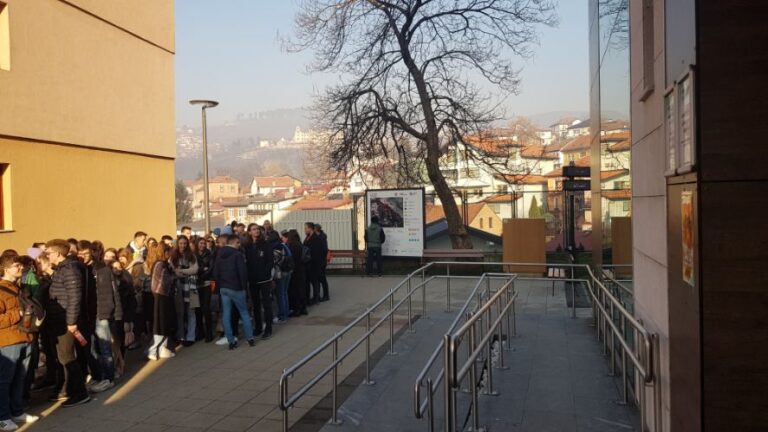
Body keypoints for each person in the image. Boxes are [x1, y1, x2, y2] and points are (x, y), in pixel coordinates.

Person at [44, 239, 90, 407]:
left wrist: (71, 321)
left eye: (48, 253)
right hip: (58, 321)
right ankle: (70, 390)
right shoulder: (61, 269)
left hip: (65, 322)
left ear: (57, 253)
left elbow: (74, 298)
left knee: (68, 358)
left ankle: (80, 392)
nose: (46, 256)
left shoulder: (69, 269)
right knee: (63, 358)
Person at [0, 255, 39, 431]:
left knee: (20, 377)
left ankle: (17, 411)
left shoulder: (20, 287)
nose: (20, 269)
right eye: (16, 266)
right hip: (8, 340)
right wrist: (18, 314)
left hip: (26, 336)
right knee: (5, 380)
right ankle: (3, 416)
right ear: (6, 268)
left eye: (20, 266)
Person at [77, 241, 120, 393]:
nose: (82, 257)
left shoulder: (101, 269)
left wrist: (108, 313)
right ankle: (99, 375)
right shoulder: (81, 269)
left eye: (85, 254)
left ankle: (108, 378)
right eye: (80, 254)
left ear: (92, 253)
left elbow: (109, 293)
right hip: (87, 314)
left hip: (100, 313)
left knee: (104, 347)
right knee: (92, 348)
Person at [212, 235, 255, 350]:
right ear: (235, 242)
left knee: (226, 314)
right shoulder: (238, 255)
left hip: (224, 288)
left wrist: (221, 284)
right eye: (238, 243)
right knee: (244, 313)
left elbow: (215, 273)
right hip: (236, 288)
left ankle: (231, 341)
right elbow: (242, 273)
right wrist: (244, 288)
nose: (239, 245)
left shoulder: (219, 254)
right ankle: (250, 338)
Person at [244, 224, 274, 339]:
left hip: (265, 279)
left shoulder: (266, 244)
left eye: (257, 229)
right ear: (249, 232)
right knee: (255, 305)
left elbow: (270, 261)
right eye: (253, 229)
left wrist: (265, 273)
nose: (256, 231)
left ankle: (269, 328)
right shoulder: (247, 246)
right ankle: (258, 327)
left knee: (266, 304)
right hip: (253, 280)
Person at [147, 243, 175, 360]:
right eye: (169, 252)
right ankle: (153, 350)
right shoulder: (160, 264)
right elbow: (164, 281)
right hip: (161, 297)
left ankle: (162, 348)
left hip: (162, 297)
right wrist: (174, 275)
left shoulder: (162, 264)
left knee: (165, 323)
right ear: (165, 252)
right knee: (160, 324)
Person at [168, 237, 198, 347]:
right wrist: (185, 271)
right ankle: (181, 336)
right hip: (179, 287)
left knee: (191, 313)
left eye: (185, 243)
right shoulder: (173, 257)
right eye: (181, 243)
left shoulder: (192, 256)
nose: (183, 245)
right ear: (177, 244)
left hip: (192, 287)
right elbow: (174, 272)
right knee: (179, 313)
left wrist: (181, 270)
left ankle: (191, 337)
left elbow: (194, 269)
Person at [195, 237, 214, 342]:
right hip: (196, 285)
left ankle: (209, 333)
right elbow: (194, 269)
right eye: (200, 243)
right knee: (197, 309)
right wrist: (202, 268)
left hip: (206, 283)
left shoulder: (209, 254)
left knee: (206, 308)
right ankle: (200, 332)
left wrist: (201, 274)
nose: (202, 245)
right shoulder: (193, 255)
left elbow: (210, 269)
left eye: (204, 243)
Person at [272, 231, 293, 323]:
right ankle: (286, 313)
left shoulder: (275, 247)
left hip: (280, 273)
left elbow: (274, 261)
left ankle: (282, 316)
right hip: (288, 272)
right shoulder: (284, 245)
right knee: (285, 293)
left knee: (280, 295)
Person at [286, 230, 308, 317]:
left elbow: (291, 259)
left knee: (294, 290)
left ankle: (296, 309)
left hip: (294, 270)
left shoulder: (291, 246)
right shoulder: (300, 244)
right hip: (301, 269)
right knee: (302, 289)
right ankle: (303, 308)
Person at [303, 222, 322, 304]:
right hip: (308, 264)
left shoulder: (315, 238)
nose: (304, 230)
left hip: (313, 264)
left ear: (310, 229)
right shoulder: (307, 237)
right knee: (311, 281)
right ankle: (312, 297)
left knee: (314, 281)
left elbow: (317, 252)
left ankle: (316, 298)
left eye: (305, 228)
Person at [314, 224, 330, 302]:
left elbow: (324, 250)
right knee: (320, 278)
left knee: (322, 278)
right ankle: (320, 295)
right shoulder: (321, 237)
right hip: (321, 261)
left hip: (321, 261)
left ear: (316, 230)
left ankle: (326, 295)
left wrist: (321, 259)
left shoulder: (321, 238)